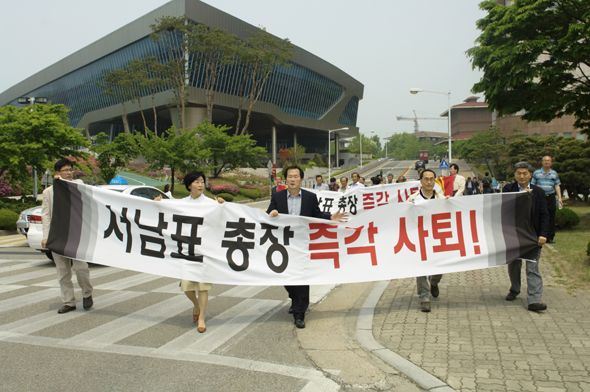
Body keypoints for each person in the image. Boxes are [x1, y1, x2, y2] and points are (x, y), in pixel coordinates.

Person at [267, 165, 348, 328]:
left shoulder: (310, 197)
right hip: (284, 244)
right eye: (289, 176)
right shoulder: (278, 196)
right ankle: (295, 299)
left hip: (303, 244)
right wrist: (272, 213)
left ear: (301, 179)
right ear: (286, 179)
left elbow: (317, 215)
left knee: (302, 279)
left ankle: (299, 313)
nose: (292, 179)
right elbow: (268, 213)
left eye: (296, 176)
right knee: (286, 278)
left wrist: (331, 218)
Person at [41, 159, 93, 314]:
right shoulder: (48, 192)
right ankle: (69, 302)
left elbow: (80, 183)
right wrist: (46, 236)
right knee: (63, 270)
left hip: (75, 234)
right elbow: (46, 216)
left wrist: (64, 183)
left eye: (70, 170)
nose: (69, 173)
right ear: (57, 172)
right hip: (57, 235)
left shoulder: (76, 185)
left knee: (80, 267)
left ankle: (87, 293)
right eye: (65, 170)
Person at [176, 171, 225, 333]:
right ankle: (196, 305)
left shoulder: (211, 203)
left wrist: (222, 206)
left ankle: (202, 317)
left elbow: (222, 219)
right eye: (197, 182)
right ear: (189, 185)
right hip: (186, 250)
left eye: (202, 182)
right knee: (187, 286)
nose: (200, 185)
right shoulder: (181, 203)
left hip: (204, 251)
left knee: (203, 286)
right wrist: (157, 203)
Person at [503, 162, 549, 312]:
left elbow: (544, 215)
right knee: (514, 265)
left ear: (530, 174)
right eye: (519, 173)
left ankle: (534, 300)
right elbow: (502, 209)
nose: (521, 176)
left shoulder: (539, 192)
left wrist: (543, 234)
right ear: (515, 175)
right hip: (514, 235)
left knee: (532, 267)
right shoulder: (508, 189)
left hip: (533, 237)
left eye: (525, 173)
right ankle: (515, 289)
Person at [407, 169, 450, 312]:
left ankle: (434, 282)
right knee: (421, 269)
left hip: (437, 240)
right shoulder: (412, 200)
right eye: (426, 179)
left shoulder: (442, 199)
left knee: (439, 268)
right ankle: (424, 297)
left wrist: (450, 204)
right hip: (419, 240)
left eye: (432, 179)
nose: (429, 182)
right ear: (421, 181)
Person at [531, 156, 562, 244]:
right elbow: (533, 185)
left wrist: (559, 197)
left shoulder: (554, 173)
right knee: (539, 215)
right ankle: (538, 235)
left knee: (551, 216)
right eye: (545, 161)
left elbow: (557, 185)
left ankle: (550, 237)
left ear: (551, 162)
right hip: (539, 197)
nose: (546, 162)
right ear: (542, 162)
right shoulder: (536, 173)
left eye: (548, 161)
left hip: (551, 197)